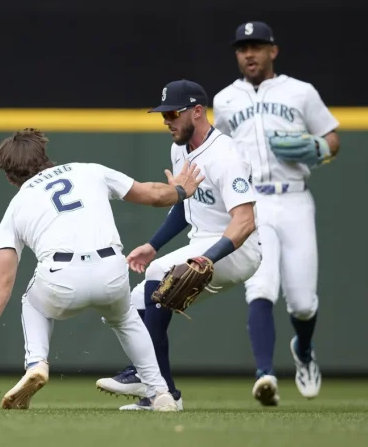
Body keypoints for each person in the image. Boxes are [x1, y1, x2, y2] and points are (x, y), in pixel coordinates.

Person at [0, 127, 207, 412]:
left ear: (9, 177)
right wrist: (180, 191)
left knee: (32, 303)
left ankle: (36, 364)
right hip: (112, 271)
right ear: (45, 156)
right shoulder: (88, 171)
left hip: (61, 279)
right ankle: (161, 393)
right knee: (126, 318)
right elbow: (152, 194)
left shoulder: (17, 205)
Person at [95, 80, 262, 411]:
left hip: (237, 248)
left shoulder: (225, 155)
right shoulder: (179, 148)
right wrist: (153, 245)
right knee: (134, 302)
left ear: (197, 111)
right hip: (202, 241)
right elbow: (185, 209)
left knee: (158, 276)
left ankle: (149, 378)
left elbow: (245, 221)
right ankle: (164, 392)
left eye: (172, 113)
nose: (166, 121)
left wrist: (205, 260)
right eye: (162, 115)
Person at [212, 21, 341, 406]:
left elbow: (333, 137)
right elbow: (217, 151)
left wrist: (318, 149)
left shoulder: (300, 92)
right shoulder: (225, 100)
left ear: (273, 51)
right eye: (242, 48)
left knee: (302, 302)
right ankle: (265, 374)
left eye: (256, 46)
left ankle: (303, 350)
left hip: (295, 199)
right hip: (253, 203)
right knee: (261, 285)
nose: (249, 53)